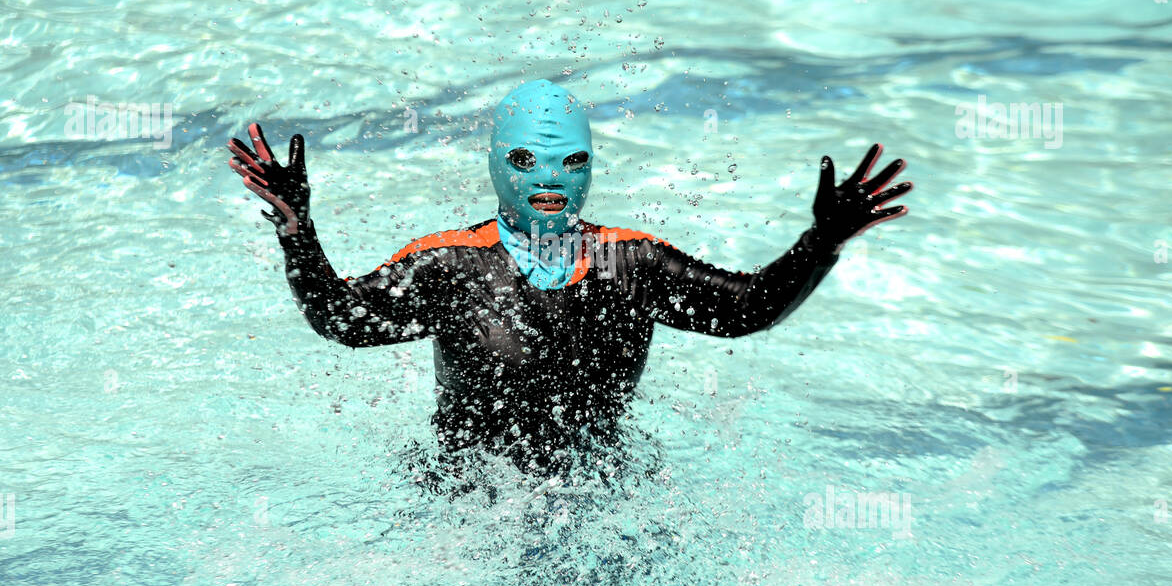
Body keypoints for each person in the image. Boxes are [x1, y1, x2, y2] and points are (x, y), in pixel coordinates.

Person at [227, 79, 911, 472]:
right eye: (527, 159)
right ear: (498, 164)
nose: (550, 179)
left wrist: (823, 240)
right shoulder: (455, 265)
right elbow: (344, 320)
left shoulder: (631, 264)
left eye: (568, 162)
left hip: (596, 504)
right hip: (465, 522)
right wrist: (298, 229)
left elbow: (747, 309)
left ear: (589, 166)